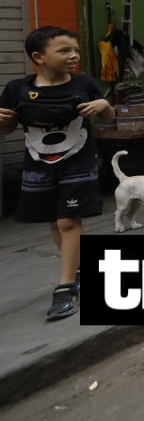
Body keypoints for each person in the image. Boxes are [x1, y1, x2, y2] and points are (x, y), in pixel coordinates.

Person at [0, 26, 114, 320]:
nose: (74, 56)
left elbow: (109, 116)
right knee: (55, 220)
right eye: (64, 51)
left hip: (79, 163)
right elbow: (7, 128)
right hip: (39, 165)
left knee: (67, 220)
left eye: (75, 50)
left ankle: (66, 286)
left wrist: (103, 104)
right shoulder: (17, 89)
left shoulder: (84, 84)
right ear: (39, 57)